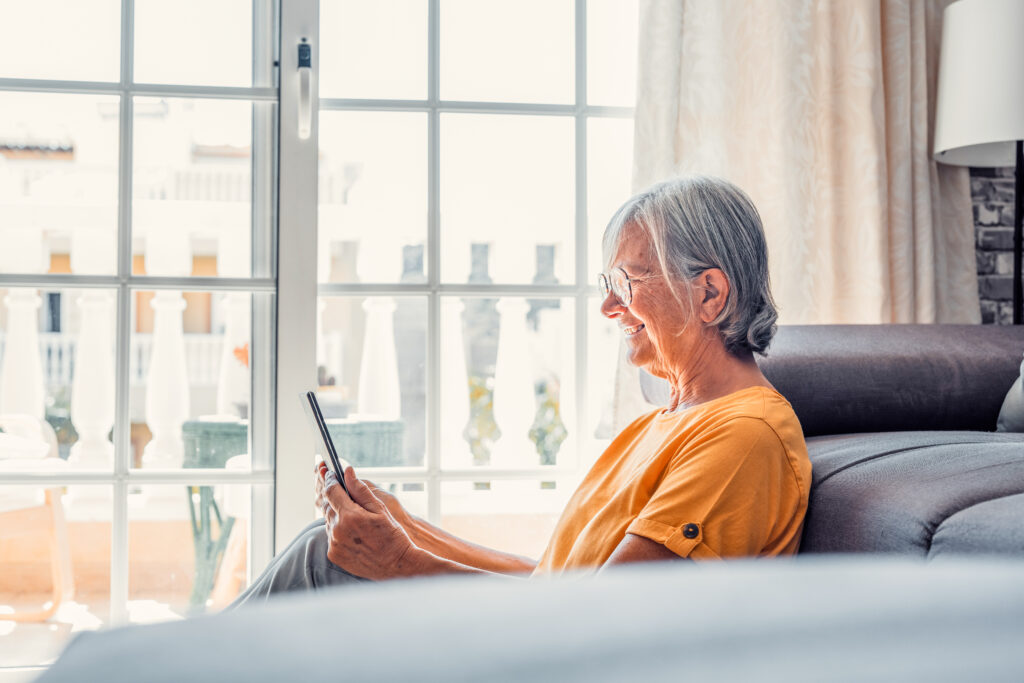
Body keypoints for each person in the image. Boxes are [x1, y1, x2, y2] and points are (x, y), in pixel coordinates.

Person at [231, 175, 811, 607]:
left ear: (710, 294)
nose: (609, 306)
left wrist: (401, 565)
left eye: (626, 283)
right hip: (540, 642)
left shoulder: (743, 437)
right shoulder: (660, 425)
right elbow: (551, 581)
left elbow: (607, 619)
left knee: (322, 563)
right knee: (326, 542)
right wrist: (405, 527)